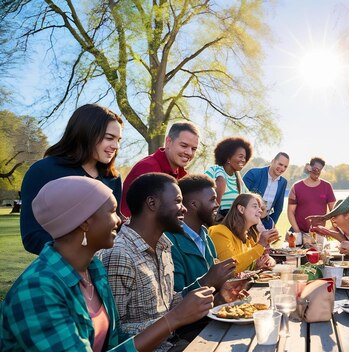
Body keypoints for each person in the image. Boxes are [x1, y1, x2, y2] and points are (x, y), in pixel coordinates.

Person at [2, 176, 214, 351]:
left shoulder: (93, 270)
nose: (120, 220)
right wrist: (172, 320)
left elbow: (115, 341)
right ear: (84, 221)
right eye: (112, 211)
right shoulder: (38, 290)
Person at [98, 173, 224, 351]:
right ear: (152, 203)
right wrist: (174, 318)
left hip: (172, 343)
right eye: (178, 201)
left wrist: (213, 296)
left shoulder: (164, 246)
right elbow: (115, 336)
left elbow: (168, 304)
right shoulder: (119, 254)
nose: (184, 209)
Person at [20, 104, 123, 255]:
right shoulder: (43, 171)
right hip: (61, 271)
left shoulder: (112, 178)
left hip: (103, 270)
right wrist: (80, 254)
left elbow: (114, 226)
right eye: (109, 138)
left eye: (119, 139)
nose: (116, 146)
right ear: (86, 134)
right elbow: (32, 236)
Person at [165, 174, 237, 295]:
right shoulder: (170, 242)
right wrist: (209, 280)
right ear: (194, 204)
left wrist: (227, 291)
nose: (217, 204)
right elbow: (174, 301)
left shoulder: (206, 236)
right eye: (212, 199)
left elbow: (215, 287)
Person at [120, 121, 200, 217]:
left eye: (193, 149)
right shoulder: (148, 168)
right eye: (184, 146)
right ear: (168, 142)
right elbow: (137, 217)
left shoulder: (183, 175)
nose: (189, 153)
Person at [209, 193, 280, 273]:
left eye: (260, 208)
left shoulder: (247, 236)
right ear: (241, 209)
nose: (260, 211)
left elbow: (253, 260)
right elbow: (230, 269)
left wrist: (268, 261)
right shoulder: (219, 233)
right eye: (255, 206)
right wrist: (261, 245)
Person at [205, 137, 253, 218]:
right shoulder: (214, 171)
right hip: (214, 220)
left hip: (232, 221)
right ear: (228, 158)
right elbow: (201, 194)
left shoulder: (238, 178)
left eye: (245, 157)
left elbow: (248, 197)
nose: (243, 160)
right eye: (240, 156)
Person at [287, 157, 336, 235]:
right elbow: (290, 212)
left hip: (319, 233)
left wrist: (333, 230)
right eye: (315, 169)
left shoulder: (327, 186)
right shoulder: (296, 187)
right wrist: (298, 232)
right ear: (309, 168)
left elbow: (334, 212)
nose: (317, 172)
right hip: (299, 231)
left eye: (320, 170)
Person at [243, 152, 290, 229]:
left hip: (264, 221)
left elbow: (278, 208)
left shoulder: (283, 182)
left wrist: (271, 225)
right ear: (273, 161)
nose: (282, 168)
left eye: (285, 166)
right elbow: (241, 197)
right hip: (247, 219)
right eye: (280, 164)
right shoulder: (254, 173)